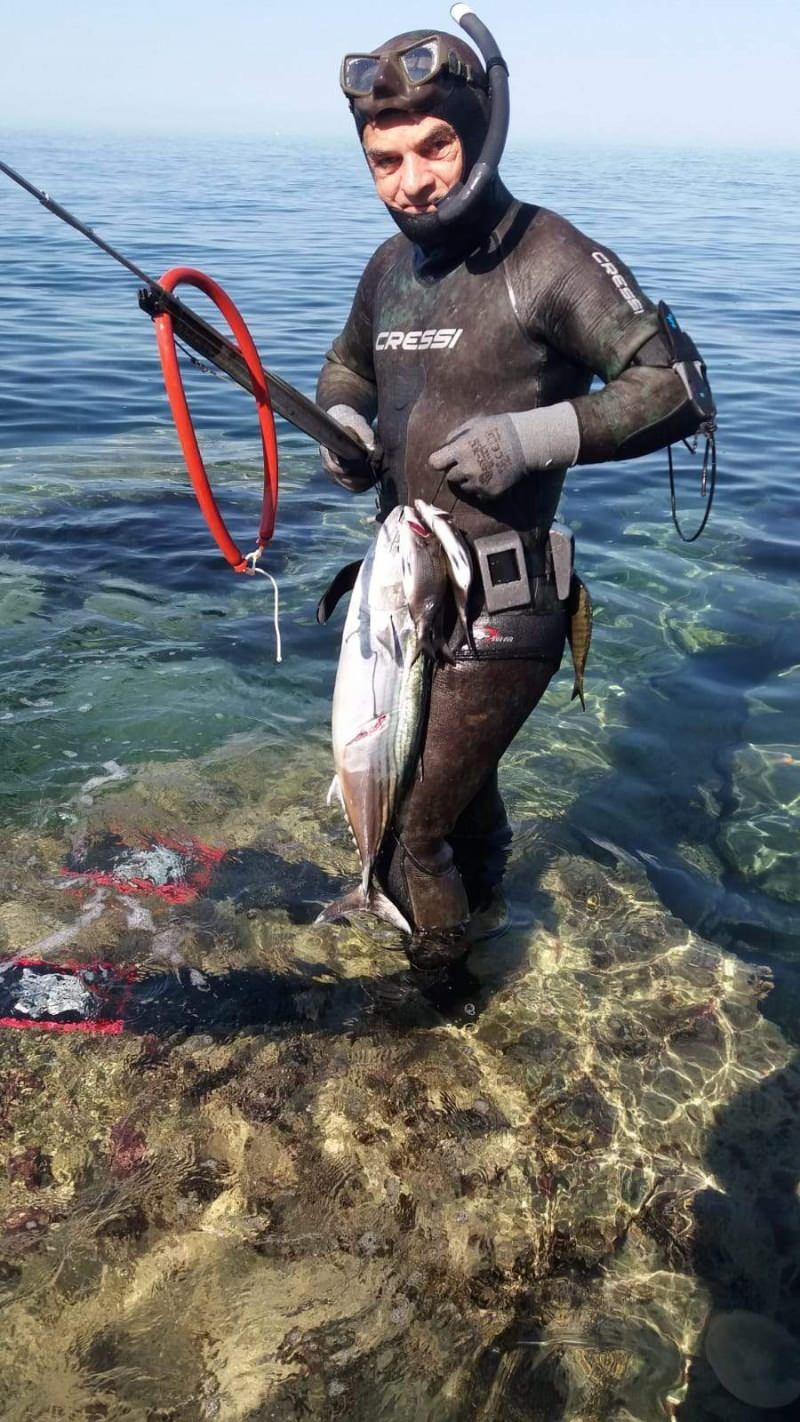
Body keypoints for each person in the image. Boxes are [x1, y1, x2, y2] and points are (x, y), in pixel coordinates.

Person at [316, 14, 714, 968]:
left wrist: (530, 440)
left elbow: (677, 387)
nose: (411, 182)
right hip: (410, 598)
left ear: (480, 132)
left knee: (409, 829)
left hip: (508, 603)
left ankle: (434, 1008)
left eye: (435, 148)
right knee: (460, 807)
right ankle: (490, 926)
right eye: (384, 161)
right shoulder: (390, 269)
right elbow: (348, 369)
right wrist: (347, 426)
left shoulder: (546, 255)